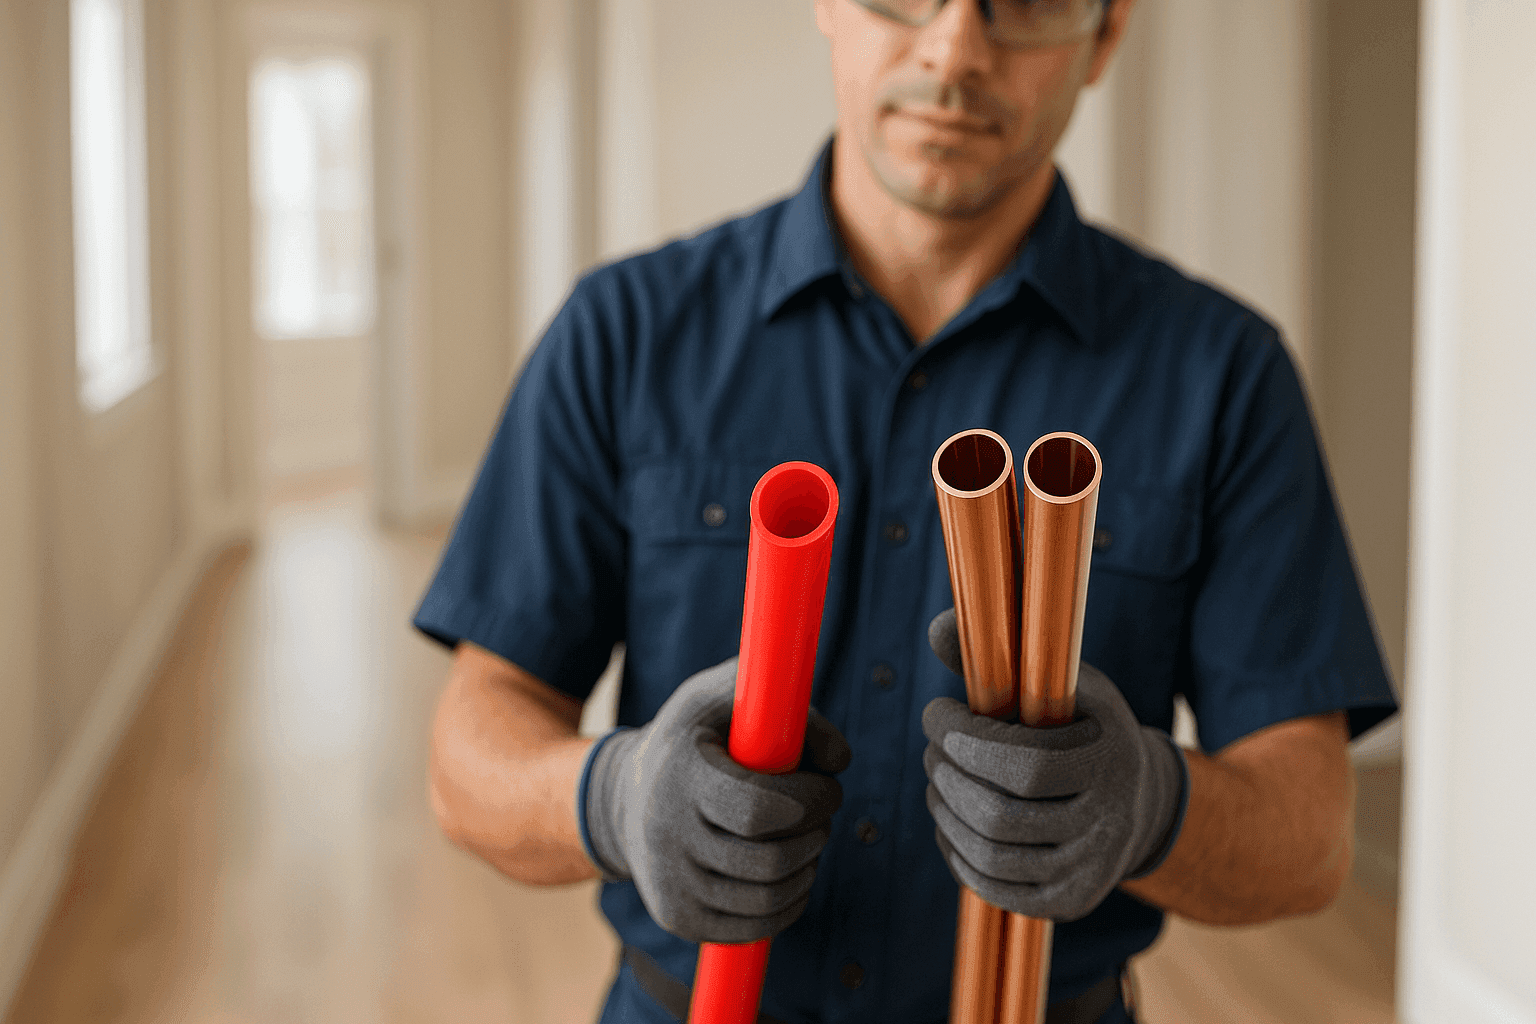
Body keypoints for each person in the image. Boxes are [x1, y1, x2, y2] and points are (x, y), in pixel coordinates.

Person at [415, 0, 1399, 1021]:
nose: (956, 48)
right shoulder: (622, 333)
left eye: (1027, 0)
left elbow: (1309, 837)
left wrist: (1152, 807)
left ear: (1105, 36)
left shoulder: (1225, 376)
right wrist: (614, 799)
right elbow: (468, 755)